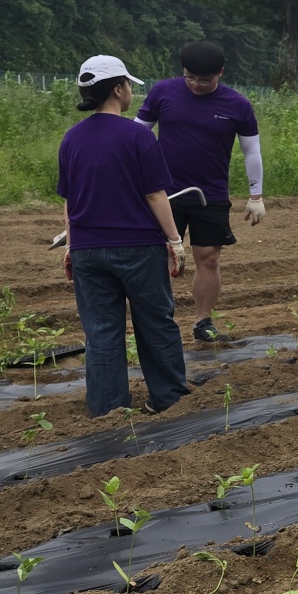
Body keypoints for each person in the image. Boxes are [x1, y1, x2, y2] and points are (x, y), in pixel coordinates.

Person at [58, 56, 189, 419]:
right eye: (129, 85)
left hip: (88, 251)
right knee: (155, 323)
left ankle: (108, 411)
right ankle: (169, 399)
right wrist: (175, 240)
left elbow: (69, 201)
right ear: (118, 89)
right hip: (137, 247)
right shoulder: (138, 136)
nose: (131, 90)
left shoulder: (72, 139)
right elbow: (155, 195)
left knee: (101, 331)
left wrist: (71, 245)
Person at [135, 40, 264, 342]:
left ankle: (203, 323)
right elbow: (137, 132)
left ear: (220, 73)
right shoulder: (163, 92)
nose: (195, 84)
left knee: (208, 258)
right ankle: (158, 323)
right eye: (189, 77)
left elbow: (251, 151)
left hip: (210, 195)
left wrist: (256, 195)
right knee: (163, 257)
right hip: (165, 194)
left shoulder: (237, 105)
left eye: (203, 80)